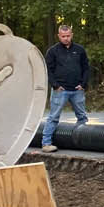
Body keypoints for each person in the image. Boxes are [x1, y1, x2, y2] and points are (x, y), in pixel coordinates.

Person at [40, 23, 89, 152]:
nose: (66, 38)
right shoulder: (53, 51)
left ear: (72, 35)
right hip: (60, 90)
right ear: (58, 36)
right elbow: (48, 71)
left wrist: (83, 84)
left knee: (82, 117)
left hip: (77, 90)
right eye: (63, 36)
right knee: (53, 117)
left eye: (68, 36)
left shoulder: (79, 50)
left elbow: (86, 68)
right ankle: (46, 143)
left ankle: (83, 142)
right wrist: (55, 86)